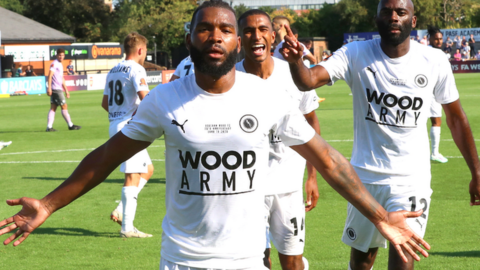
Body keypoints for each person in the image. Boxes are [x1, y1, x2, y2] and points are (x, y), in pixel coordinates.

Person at [0, 1, 431, 269]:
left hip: (245, 262)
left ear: (238, 44)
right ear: (189, 39)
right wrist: (49, 203)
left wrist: (379, 217)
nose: (215, 36)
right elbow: (106, 157)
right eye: (204, 28)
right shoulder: (164, 101)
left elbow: (329, 160)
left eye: (225, 29)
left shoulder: (267, 98)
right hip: (182, 261)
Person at [280, 0, 480, 269]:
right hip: (364, 177)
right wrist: (295, 62)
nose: (394, 17)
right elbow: (307, 80)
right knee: (362, 261)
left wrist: (476, 172)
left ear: (413, 20)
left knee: (403, 254)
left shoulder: (433, 60)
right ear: (376, 19)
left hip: (412, 178)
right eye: (386, 12)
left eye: (400, 12)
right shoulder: (355, 53)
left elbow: (455, 119)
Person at [236, 9, 321, 270]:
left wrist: (312, 176)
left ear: (273, 37)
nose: (256, 36)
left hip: (289, 187)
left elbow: (312, 123)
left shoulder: (294, 74)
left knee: (292, 260)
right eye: (248, 31)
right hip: (247, 188)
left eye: (262, 30)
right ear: (240, 39)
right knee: (257, 259)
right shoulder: (229, 79)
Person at [101, 32, 154, 238]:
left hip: (116, 124)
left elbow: (105, 103)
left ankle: (120, 210)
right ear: (141, 50)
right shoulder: (137, 69)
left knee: (147, 170)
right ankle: (127, 229)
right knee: (132, 176)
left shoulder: (114, 69)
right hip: (130, 127)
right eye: (145, 51)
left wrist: (120, 115)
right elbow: (146, 99)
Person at [46, 49, 81, 132]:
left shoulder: (60, 65)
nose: (61, 57)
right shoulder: (54, 64)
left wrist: (66, 90)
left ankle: (49, 127)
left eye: (62, 55)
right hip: (56, 89)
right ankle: (70, 125)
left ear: (64, 56)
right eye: (59, 55)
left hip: (58, 88)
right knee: (64, 106)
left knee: (53, 108)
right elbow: (50, 75)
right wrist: (49, 87)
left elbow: (62, 78)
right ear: (56, 55)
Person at [427, 26, 449, 163]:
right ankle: (434, 153)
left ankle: (433, 152)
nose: (439, 41)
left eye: (440, 39)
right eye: (436, 39)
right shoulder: (434, 54)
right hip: (431, 92)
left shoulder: (426, 52)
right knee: (436, 121)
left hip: (429, 91)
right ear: (430, 39)